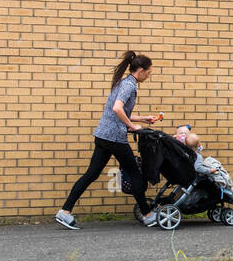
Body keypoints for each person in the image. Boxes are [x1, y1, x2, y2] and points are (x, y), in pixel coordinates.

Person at [55, 51, 161, 229]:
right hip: (114, 137)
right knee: (134, 172)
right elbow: (117, 109)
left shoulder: (123, 82)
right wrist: (132, 126)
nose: (148, 76)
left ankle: (64, 211)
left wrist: (142, 119)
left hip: (103, 135)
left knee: (92, 174)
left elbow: (120, 112)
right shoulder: (129, 86)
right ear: (141, 71)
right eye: (149, 73)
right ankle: (148, 214)